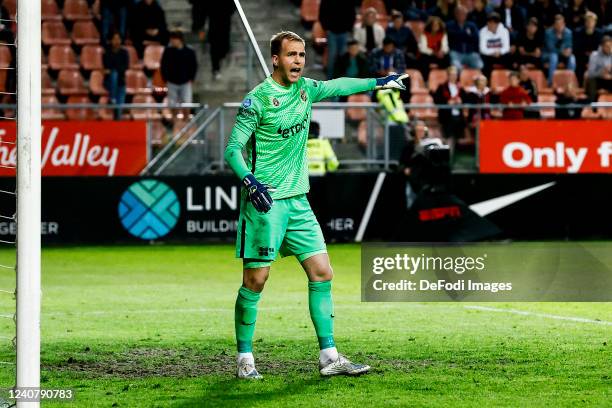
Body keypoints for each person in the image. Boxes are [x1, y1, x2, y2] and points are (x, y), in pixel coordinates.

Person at [224, 31, 407, 379]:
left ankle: (329, 356)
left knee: (322, 273)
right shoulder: (256, 100)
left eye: (302, 55)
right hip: (266, 204)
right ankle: (245, 360)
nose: (297, 61)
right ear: (275, 59)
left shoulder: (307, 89)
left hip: (298, 203)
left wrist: (380, 81)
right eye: (291, 55)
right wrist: (250, 181)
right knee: (256, 280)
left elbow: (339, 85)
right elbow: (233, 149)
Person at [319, 0, 356, 79]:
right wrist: (326, 28)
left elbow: (352, 14)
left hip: (344, 32)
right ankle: (329, 81)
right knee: (331, 57)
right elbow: (322, 13)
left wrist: (349, 28)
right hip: (332, 32)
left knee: (343, 57)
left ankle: (341, 80)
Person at [160, 30, 198, 105]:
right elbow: (164, 65)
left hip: (185, 82)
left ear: (180, 39)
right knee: (172, 104)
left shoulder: (189, 51)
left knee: (187, 103)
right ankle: (174, 117)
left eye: (174, 39)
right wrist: (165, 78)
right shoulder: (168, 51)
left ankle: (186, 117)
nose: (172, 41)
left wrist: (191, 78)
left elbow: (194, 66)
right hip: (172, 82)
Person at [432, 65, 466, 140]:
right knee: (447, 137)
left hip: (459, 116)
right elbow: (436, 100)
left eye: (455, 74)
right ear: (448, 75)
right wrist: (447, 102)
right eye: (451, 74)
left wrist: (461, 100)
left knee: (458, 138)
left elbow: (466, 99)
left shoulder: (460, 87)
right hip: (446, 116)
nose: (453, 76)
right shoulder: (442, 87)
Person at [447, 5, 483, 69]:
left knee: (480, 65)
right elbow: (452, 37)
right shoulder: (450, 25)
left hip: (470, 52)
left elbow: (475, 38)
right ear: (455, 15)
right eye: (459, 13)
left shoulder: (472, 25)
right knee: (456, 67)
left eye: (464, 14)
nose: (461, 16)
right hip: (456, 52)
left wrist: (459, 36)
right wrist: (467, 35)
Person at [103, 32, 129, 120]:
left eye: (118, 39)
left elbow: (125, 67)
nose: (117, 41)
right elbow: (107, 67)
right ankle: (112, 98)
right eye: (114, 39)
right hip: (109, 82)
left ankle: (117, 125)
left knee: (119, 109)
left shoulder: (124, 53)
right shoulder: (106, 53)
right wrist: (116, 68)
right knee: (114, 74)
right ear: (111, 40)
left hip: (121, 82)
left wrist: (114, 68)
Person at [543, 15, 576, 84]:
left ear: (564, 24)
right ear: (554, 25)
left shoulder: (568, 32)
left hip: (563, 55)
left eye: (561, 24)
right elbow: (551, 48)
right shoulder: (548, 33)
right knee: (554, 57)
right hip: (549, 55)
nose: (559, 26)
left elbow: (568, 45)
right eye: (557, 24)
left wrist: (568, 50)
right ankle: (551, 81)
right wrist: (562, 51)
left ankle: (569, 82)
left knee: (572, 59)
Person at [573, 12, 603, 84]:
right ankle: (579, 84)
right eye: (588, 21)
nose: (590, 23)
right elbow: (576, 47)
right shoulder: (578, 32)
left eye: (592, 21)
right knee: (578, 64)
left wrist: (592, 56)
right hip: (581, 57)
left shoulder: (599, 33)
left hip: (595, 57)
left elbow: (600, 48)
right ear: (585, 22)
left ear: (595, 22)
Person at [208, 2, 235, 80]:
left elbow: (232, 8)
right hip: (214, 26)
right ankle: (215, 69)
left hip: (224, 25)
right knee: (214, 48)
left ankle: (221, 59)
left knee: (223, 46)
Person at [479, 12, 511, 77]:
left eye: (492, 23)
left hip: (501, 55)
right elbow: (482, 49)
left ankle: (509, 80)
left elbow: (506, 47)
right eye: (488, 22)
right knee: (485, 63)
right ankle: (487, 83)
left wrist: (500, 52)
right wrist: (493, 52)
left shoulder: (504, 31)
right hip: (489, 56)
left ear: (497, 24)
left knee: (510, 58)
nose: (489, 25)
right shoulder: (482, 31)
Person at [585, 36, 612, 102]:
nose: (609, 48)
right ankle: (592, 105)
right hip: (598, 79)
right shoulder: (594, 55)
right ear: (601, 46)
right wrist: (601, 72)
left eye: (611, 45)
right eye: (607, 46)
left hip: (610, 79)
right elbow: (590, 73)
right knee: (591, 80)